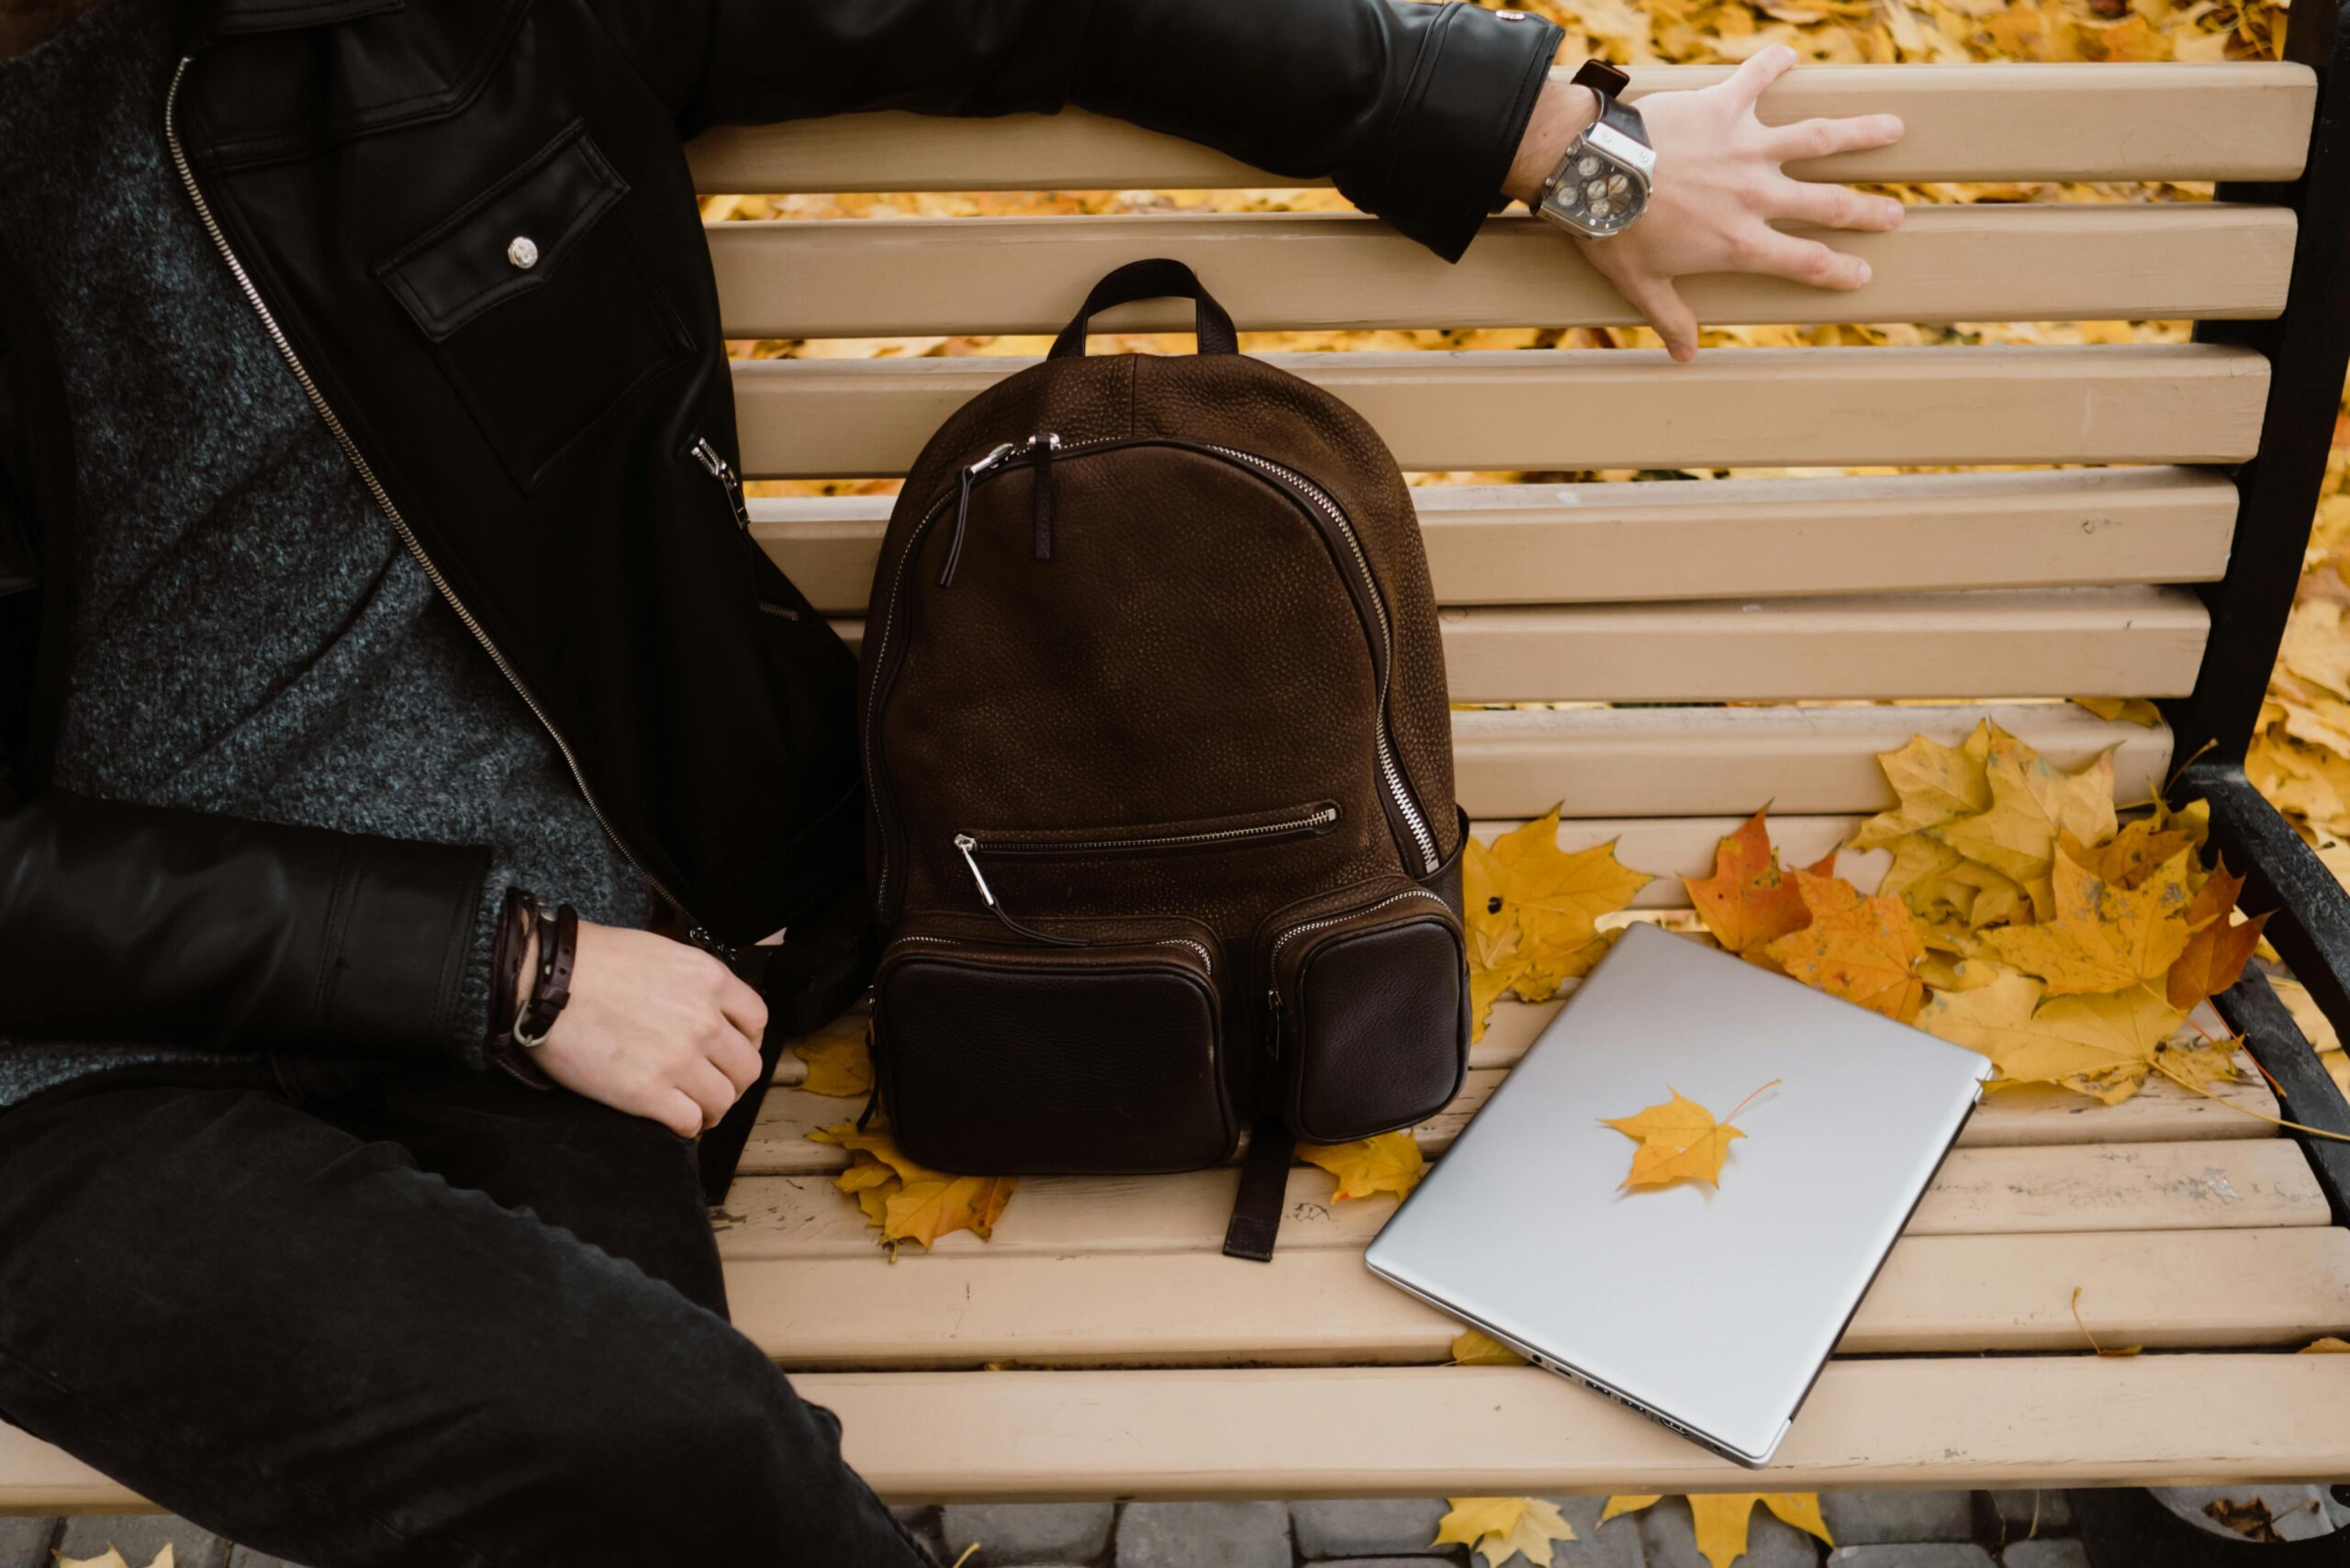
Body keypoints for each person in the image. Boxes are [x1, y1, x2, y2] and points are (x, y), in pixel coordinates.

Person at [0, 0, 1904, 1560]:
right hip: (83, 1061)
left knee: (646, 1462)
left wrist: (1557, 141)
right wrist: (509, 968)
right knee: (674, 1457)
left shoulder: (437, 25)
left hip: (557, 962)